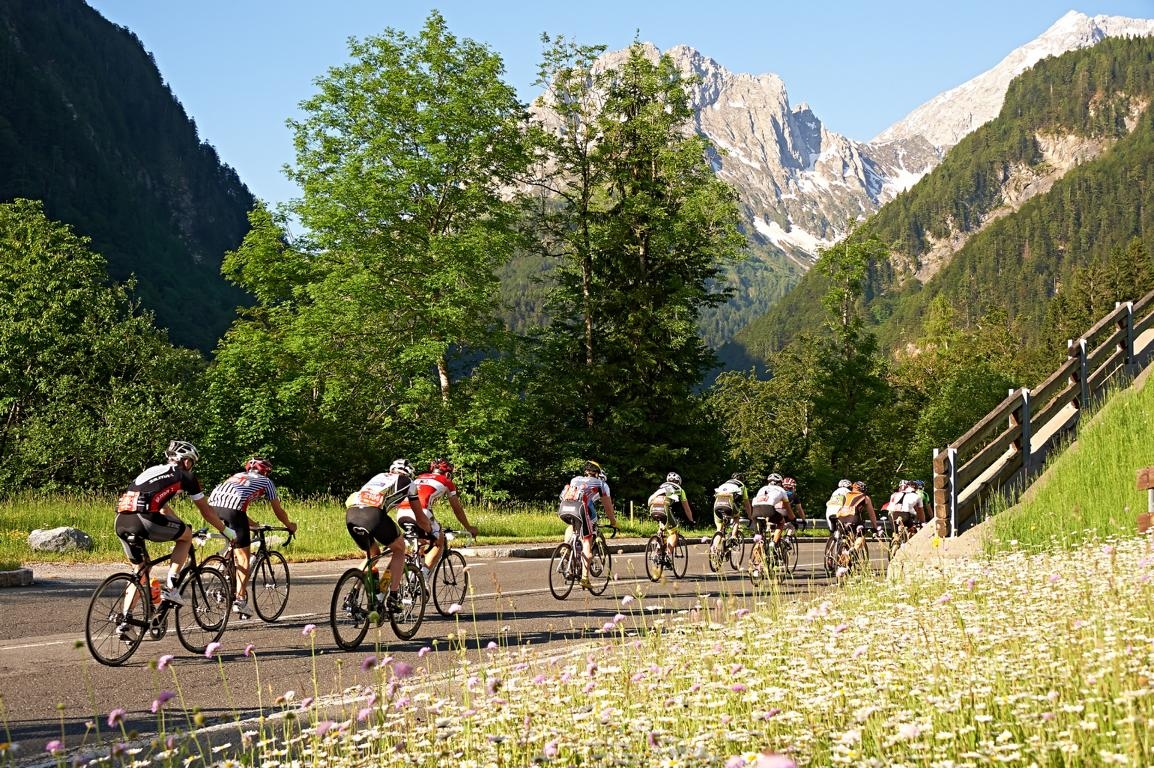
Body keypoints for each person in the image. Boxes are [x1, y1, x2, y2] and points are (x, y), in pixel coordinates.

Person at [114, 440, 237, 608]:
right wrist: (227, 531)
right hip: (145, 520)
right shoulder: (186, 476)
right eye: (192, 462)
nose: (191, 466)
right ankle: (171, 588)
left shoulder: (153, 471)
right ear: (186, 460)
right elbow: (206, 511)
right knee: (185, 538)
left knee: (140, 571)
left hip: (121, 521)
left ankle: (124, 620)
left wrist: (179, 525)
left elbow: (162, 508)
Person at [207, 457, 298, 618]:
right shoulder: (266, 482)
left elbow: (237, 510)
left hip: (212, 507)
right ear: (266, 472)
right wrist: (289, 524)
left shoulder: (237, 476)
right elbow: (278, 510)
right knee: (244, 557)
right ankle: (240, 600)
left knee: (233, 540)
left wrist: (254, 524)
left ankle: (222, 572)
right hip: (233, 510)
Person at [344, 459, 433, 615]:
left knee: (373, 554)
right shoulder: (409, 482)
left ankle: (351, 595)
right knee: (400, 549)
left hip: (352, 514)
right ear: (409, 473)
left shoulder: (379, 476)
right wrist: (431, 532)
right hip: (373, 515)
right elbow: (420, 516)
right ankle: (393, 597)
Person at [397, 458, 479, 580]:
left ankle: (413, 572)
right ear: (448, 473)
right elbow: (457, 508)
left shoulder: (419, 477)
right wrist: (468, 527)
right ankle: (422, 577)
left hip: (401, 513)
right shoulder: (446, 481)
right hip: (420, 512)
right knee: (439, 541)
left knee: (421, 540)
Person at [558, 460, 618, 589]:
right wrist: (613, 522)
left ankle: (567, 546)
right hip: (580, 509)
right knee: (587, 541)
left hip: (564, 508)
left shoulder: (575, 479)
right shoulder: (602, 484)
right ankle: (585, 577)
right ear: (598, 473)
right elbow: (608, 507)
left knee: (573, 527)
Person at [750, 473, 800, 575]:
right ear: (780, 483)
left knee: (759, 539)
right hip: (768, 509)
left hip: (755, 510)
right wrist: (793, 519)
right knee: (781, 522)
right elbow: (788, 509)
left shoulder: (762, 488)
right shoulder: (781, 490)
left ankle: (756, 567)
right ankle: (773, 543)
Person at [647, 472, 695, 566]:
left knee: (662, 527)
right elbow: (686, 508)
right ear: (679, 482)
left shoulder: (662, 486)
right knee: (673, 533)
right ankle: (668, 555)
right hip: (664, 508)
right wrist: (691, 520)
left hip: (653, 507)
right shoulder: (680, 489)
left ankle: (657, 550)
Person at [710, 472, 753, 554]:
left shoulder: (724, 484)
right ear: (742, 480)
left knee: (719, 529)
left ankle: (714, 548)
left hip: (717, 505)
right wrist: (750, 516)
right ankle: (733, 536)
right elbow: (746, 504)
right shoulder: (742, 485)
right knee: (736, 517)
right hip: (728, 505)